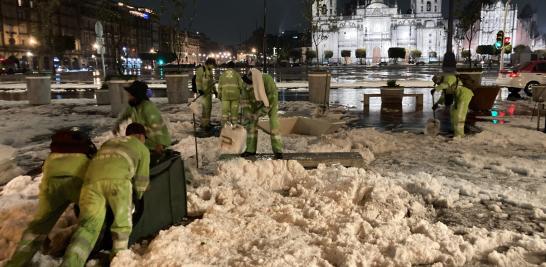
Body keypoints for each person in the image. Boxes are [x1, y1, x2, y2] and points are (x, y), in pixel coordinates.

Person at [62, 123, 150, 267]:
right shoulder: (142, 148)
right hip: (118, 184)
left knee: (87, 228)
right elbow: (141, 182)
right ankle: (118, 261)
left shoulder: (108, 142)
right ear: (141, 136)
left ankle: (70, 263)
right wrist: (138, 196)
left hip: (90, 184)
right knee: (122, 227)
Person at [6, 129, 96, 267]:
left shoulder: (52, 155)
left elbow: (43, 171)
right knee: (89, 223)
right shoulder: (87, 152)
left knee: (38, 227)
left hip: (51, 182)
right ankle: (74, 261)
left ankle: (17, 262)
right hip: (77, 183)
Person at [113, 81, 171, 154]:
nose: (129, 97)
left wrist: (160, 144)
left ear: (137, 96)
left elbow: (157, 126)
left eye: (131, 95)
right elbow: (123, 116)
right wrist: (116, 126)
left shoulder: (148, 108)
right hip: (143, 142)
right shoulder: (133, 107)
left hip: (156, 144)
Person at [240, 69, 283, 159]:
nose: (248, 85)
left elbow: (270, 102)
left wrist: (259, 113)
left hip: (270, 103)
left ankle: (278, 150)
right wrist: (249, 114)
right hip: (254, 104)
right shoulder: (245, 84)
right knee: (251, 125)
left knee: (274, 123)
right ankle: (250, 150)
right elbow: (245, 102)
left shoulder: (267, 80)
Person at [432, 73, 474, 138]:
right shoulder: (444, 85)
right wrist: (437, 104)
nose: (438, 84)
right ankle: (454, 131)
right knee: (453, 113)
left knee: (459, 115)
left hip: (465, 95)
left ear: (439, 79)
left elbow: (446, 84)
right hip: (458, 97)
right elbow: (443, 96)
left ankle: (459, 135)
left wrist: (436, 89)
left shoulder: (449, 77)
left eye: (438, 82)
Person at [218, 61, 244, 126]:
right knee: (234, 112)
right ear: (234, 67)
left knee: (225, 112)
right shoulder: (237, 74)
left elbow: (219, 86)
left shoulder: (222, 75)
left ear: (227, 67)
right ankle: (234, 125)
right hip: (235, 96)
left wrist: (219, 95)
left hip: (225, 96)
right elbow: (241, 85)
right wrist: (242, 93)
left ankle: (224, 126)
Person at [195, 58, 217, 130]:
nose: (213, 67)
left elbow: (211, 82)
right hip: (203, 93)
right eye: (213, 65)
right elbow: (198, 81)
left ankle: (207, 123)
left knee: (209, 108)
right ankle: (204, 124)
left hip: (209, 93)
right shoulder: (201, 70)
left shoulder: (209, 71)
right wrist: (200, 90)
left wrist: (215, 90)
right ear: (209, 63)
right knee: (205, 109)